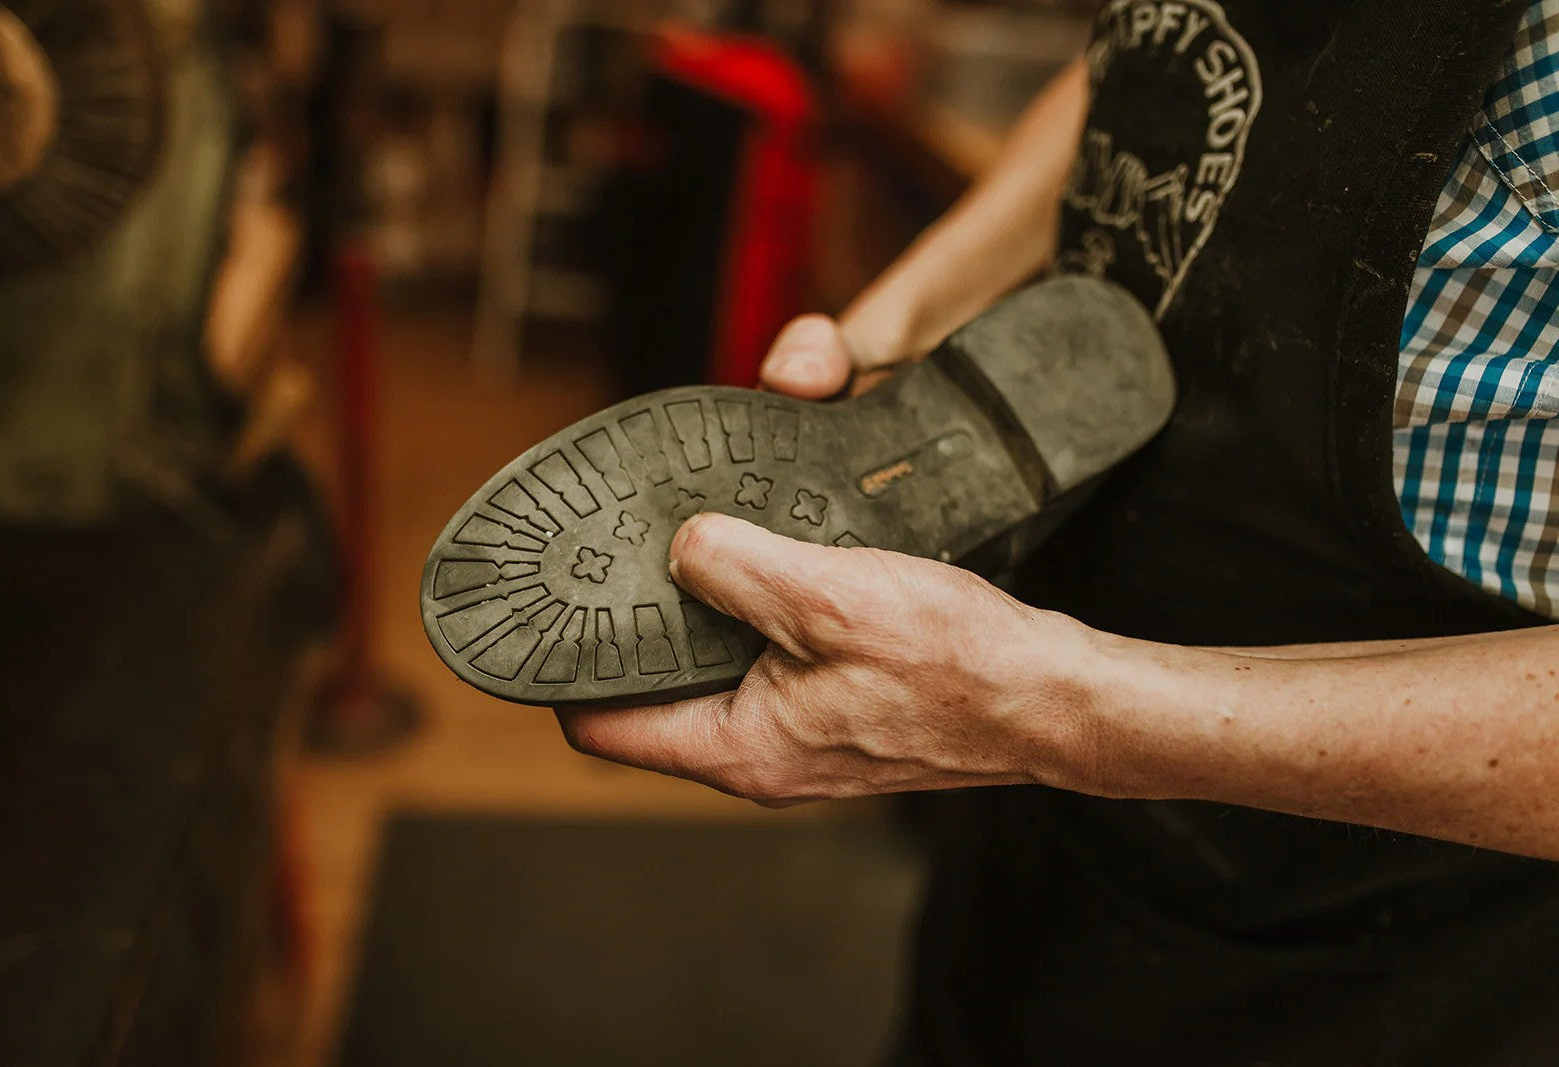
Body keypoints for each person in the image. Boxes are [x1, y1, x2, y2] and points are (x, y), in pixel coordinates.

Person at [558, 1, 1559, 1060]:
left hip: (1371, 969)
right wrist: (904, 322)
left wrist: (1049, 706)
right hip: (1031, 827)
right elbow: (1146, 71)